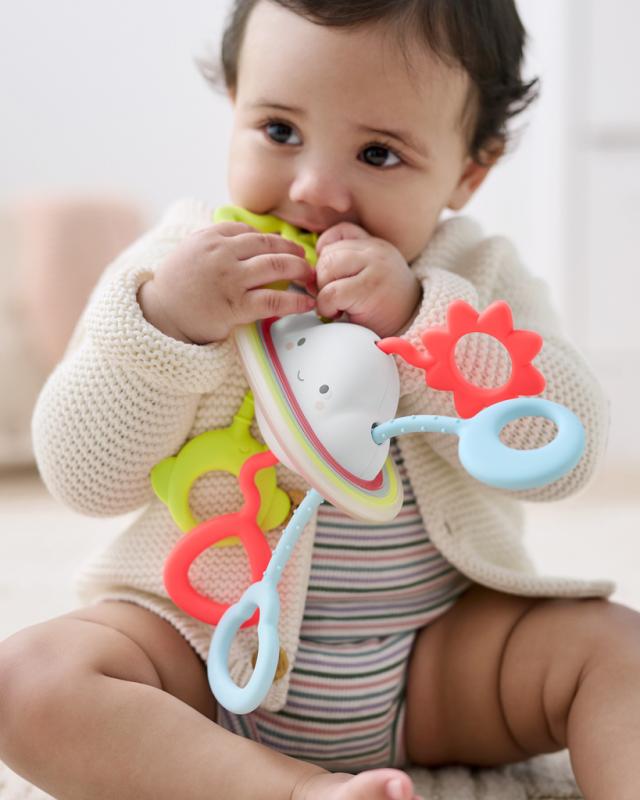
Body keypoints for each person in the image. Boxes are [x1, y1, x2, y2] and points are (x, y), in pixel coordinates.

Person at [1, 2, 638, 799]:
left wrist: (422, 321)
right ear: (234, 102)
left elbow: (563, 453)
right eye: (279, 131)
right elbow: (79, 475)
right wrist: (168, 326)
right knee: (27, 679)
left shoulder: (477, 275)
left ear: (470, 171)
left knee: (620, 652)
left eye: (378, 153)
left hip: (440, 661)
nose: (314, 190)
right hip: (200, 647)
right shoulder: (174, 271)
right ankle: (289, 790)